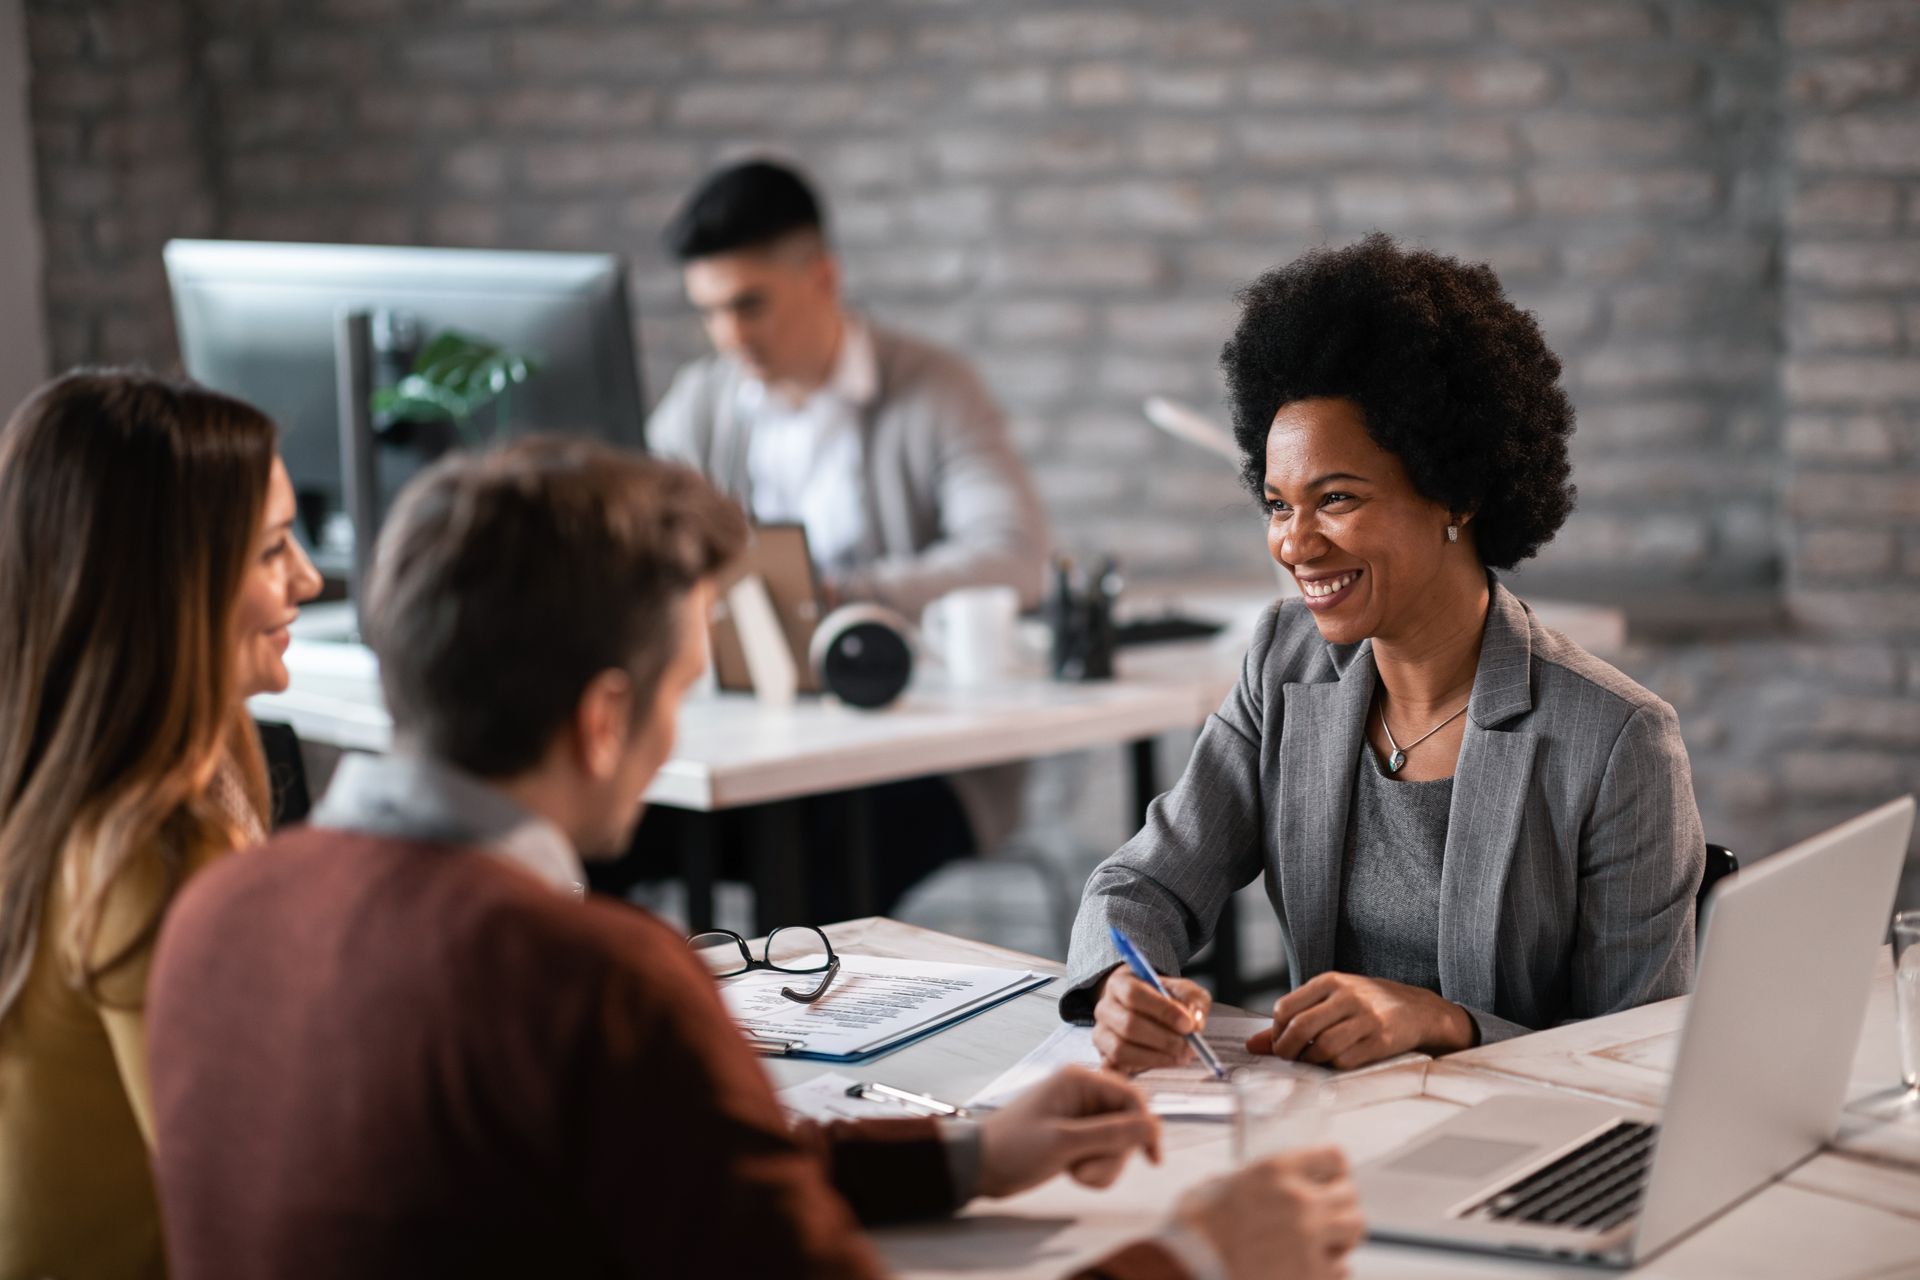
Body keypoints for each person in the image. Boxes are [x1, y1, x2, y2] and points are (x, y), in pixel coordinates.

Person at [145, 440, 1364, 1280]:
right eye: (682, 683)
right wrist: (1202, 1254)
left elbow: (681, 1169)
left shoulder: (221, 908)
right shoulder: (592, 980)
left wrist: (970, 1151)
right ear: (603, 718)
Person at [1064, 234, 1706, 1073]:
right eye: (1276, 504)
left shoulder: (1618, 741)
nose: (1295, 544)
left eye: (1335, 499)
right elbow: (1144, 881)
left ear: (1459, 492)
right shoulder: (1284, 665)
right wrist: (1123, 983)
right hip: (1321, 1132)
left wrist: (1444, 1024)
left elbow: (1642, 1057)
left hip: (1513, 1155)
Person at [639, 158, 1048, 912]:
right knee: (599, 832)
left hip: (918, 756)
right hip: (750, 736)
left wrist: (835, 597)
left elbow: (1015, 559)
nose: (731, 336)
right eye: (712, 310)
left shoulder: (934, 388)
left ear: (822, 276)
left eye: (750, 305)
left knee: (812, 864)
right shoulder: (698, 406)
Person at [0, 369, 322, 1280]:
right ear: (168, 584)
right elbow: (252, 1217)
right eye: (270, 551)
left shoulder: (80, 797)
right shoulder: (153, 849)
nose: (308, 575)